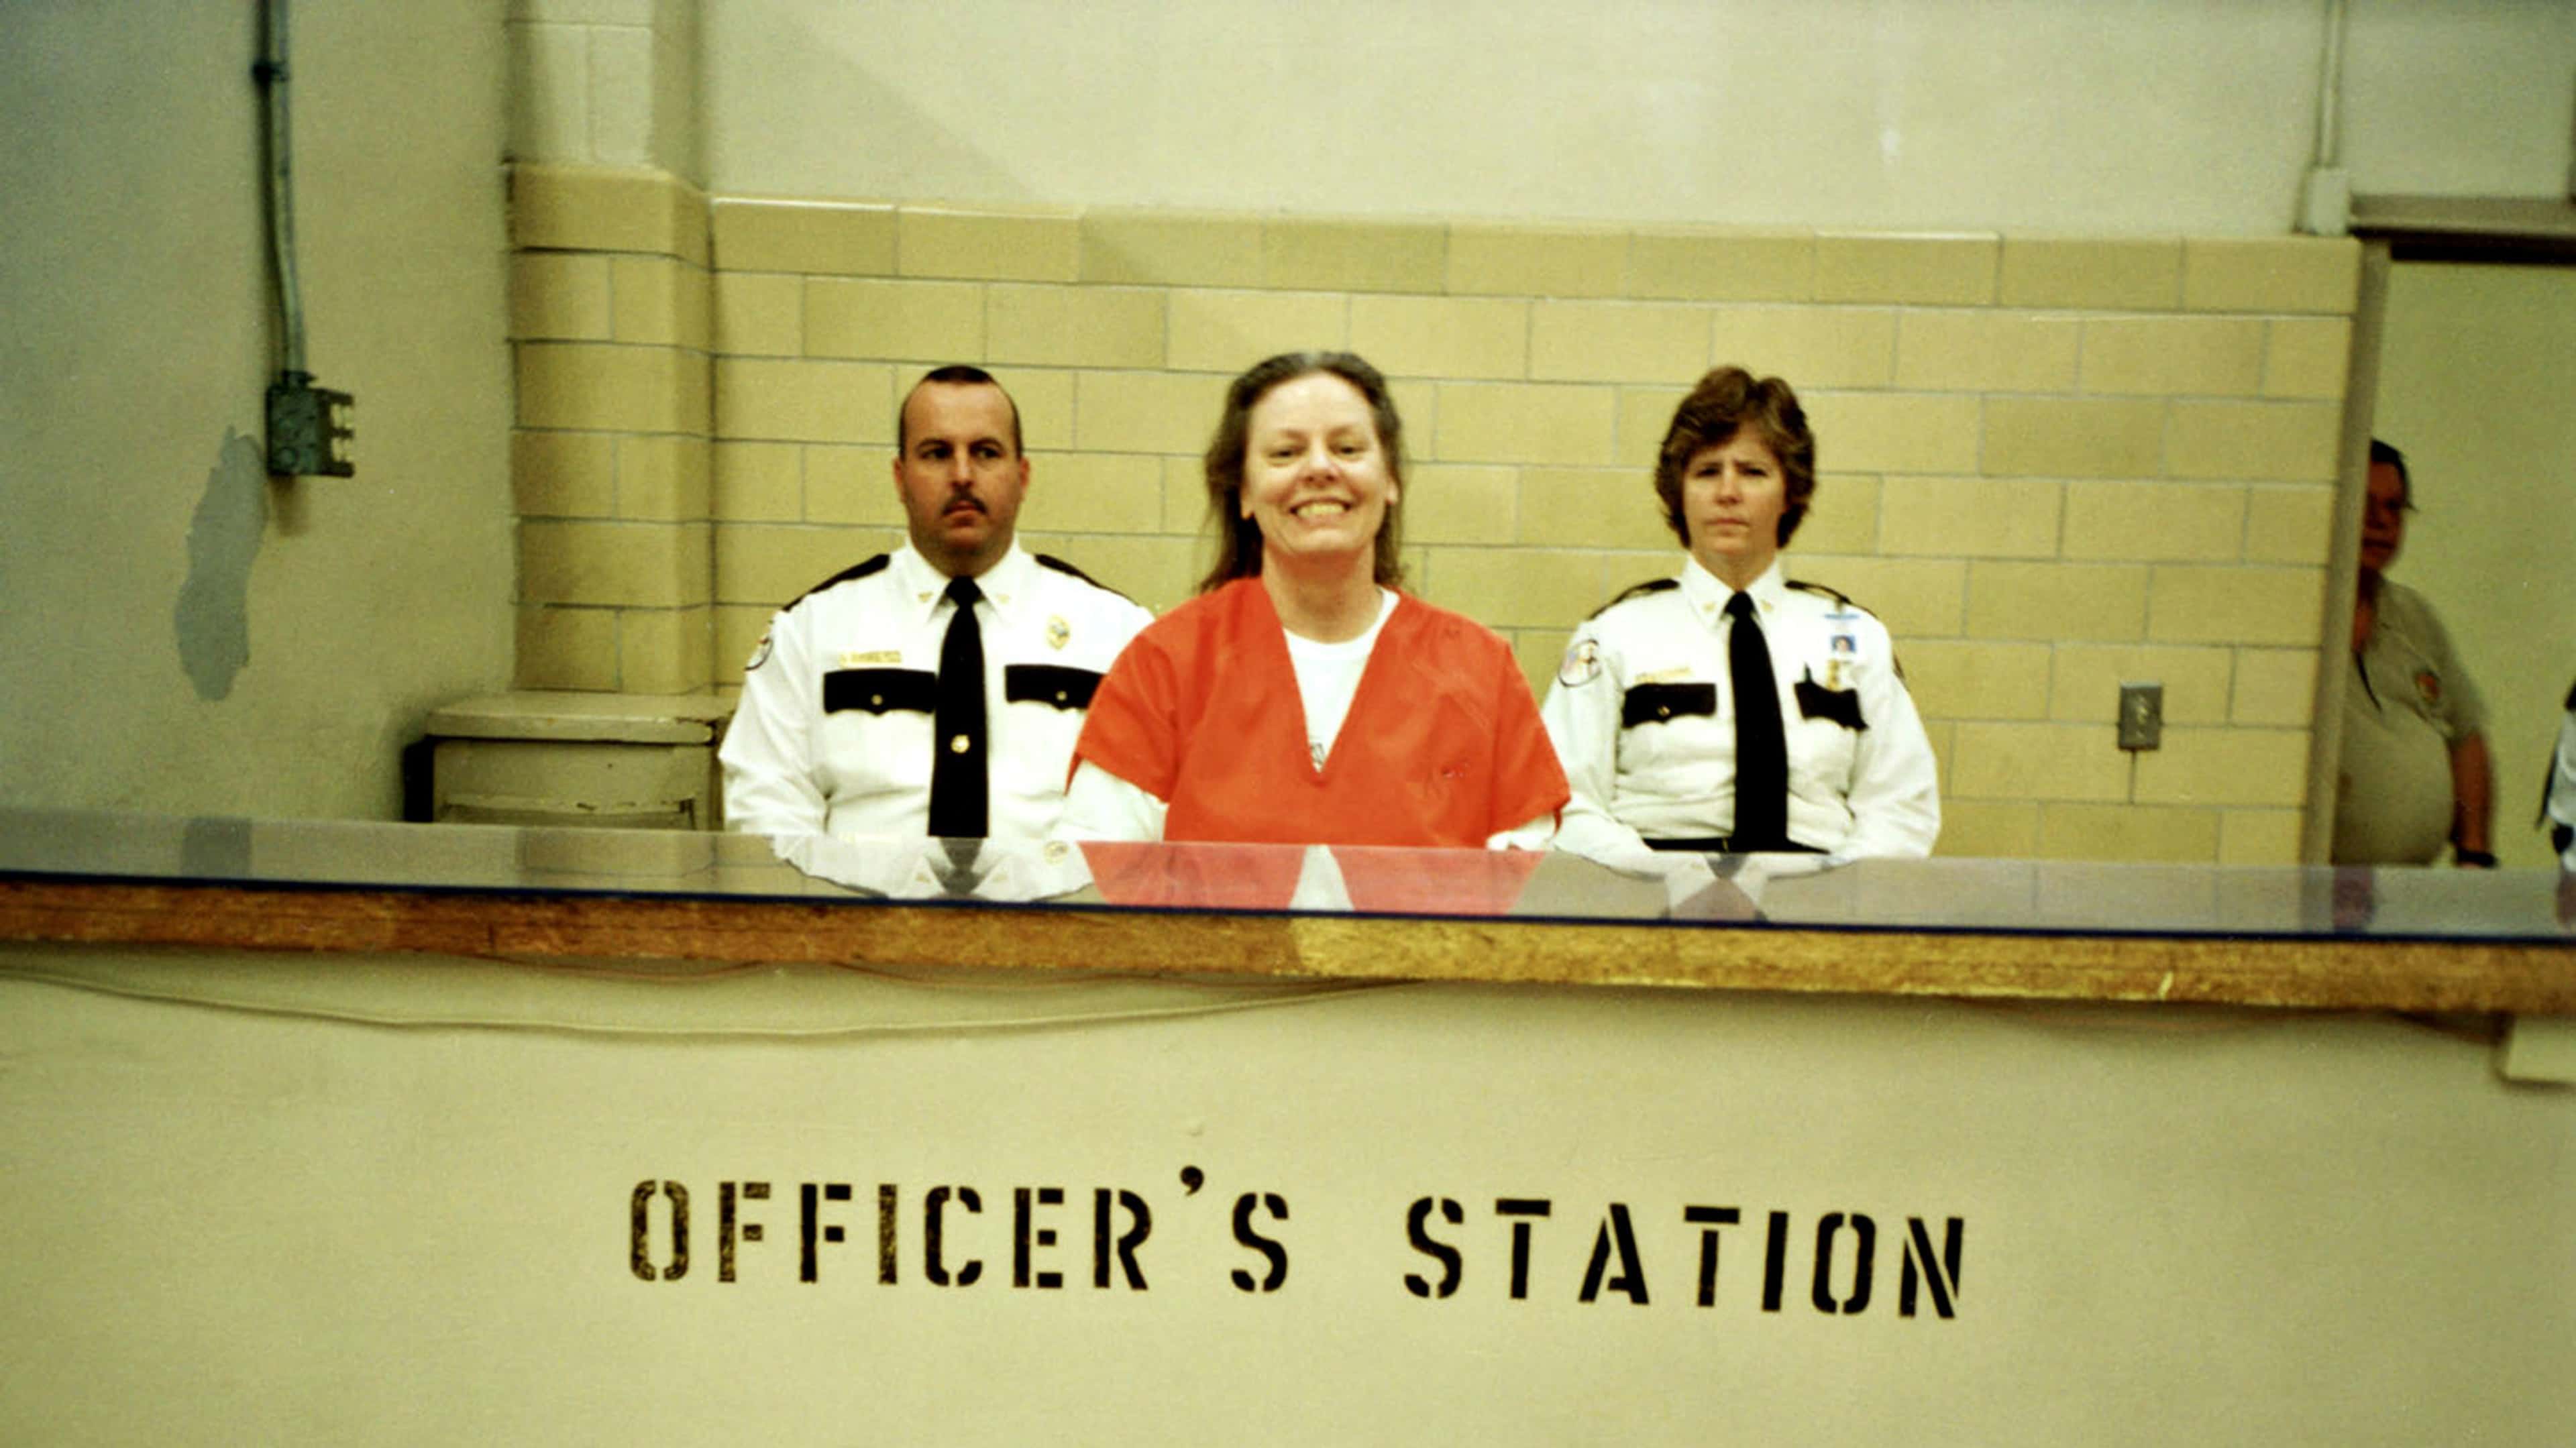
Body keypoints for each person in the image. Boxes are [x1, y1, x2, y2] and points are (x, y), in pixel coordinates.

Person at [1063, 351, 1566, 848]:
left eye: (1347, 449)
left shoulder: (1481, 671)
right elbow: (1097, 883)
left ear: (1390, 479)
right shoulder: (1165, 665)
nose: (1320, 467)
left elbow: (1522, 900)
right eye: (1285, 453)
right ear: (1243, 491)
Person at [720, 365, 1152, 841]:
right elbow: (767, 810)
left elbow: (1132, 815)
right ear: (900, 477)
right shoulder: (811, 631)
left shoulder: (1114, 632)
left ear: (1022, 476)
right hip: (858, 909)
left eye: (986, 453)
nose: (963, 474)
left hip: (1054, 909)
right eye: (937, 453)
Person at [1539, 366, 1939, 866]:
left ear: (1790, 490)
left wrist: (1831, 896)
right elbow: (1562, 801)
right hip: (1650, 902)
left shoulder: (1855, 639)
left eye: (1753, 472)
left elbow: (1902, 806)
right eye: (1707, 471)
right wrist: (1669, 881)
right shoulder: (1615, 635)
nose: (1728, 491)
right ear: (1678, 493)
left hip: (1818, 904)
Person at [2332, 439, 2493, 867]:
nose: (2380, 523)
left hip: (2413, 892)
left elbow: (2467, 736)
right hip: (2317, 894)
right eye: (2364, 504)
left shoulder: (2415, 617)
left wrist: (2475, 854)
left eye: (2394, 507)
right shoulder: (2299, 622)